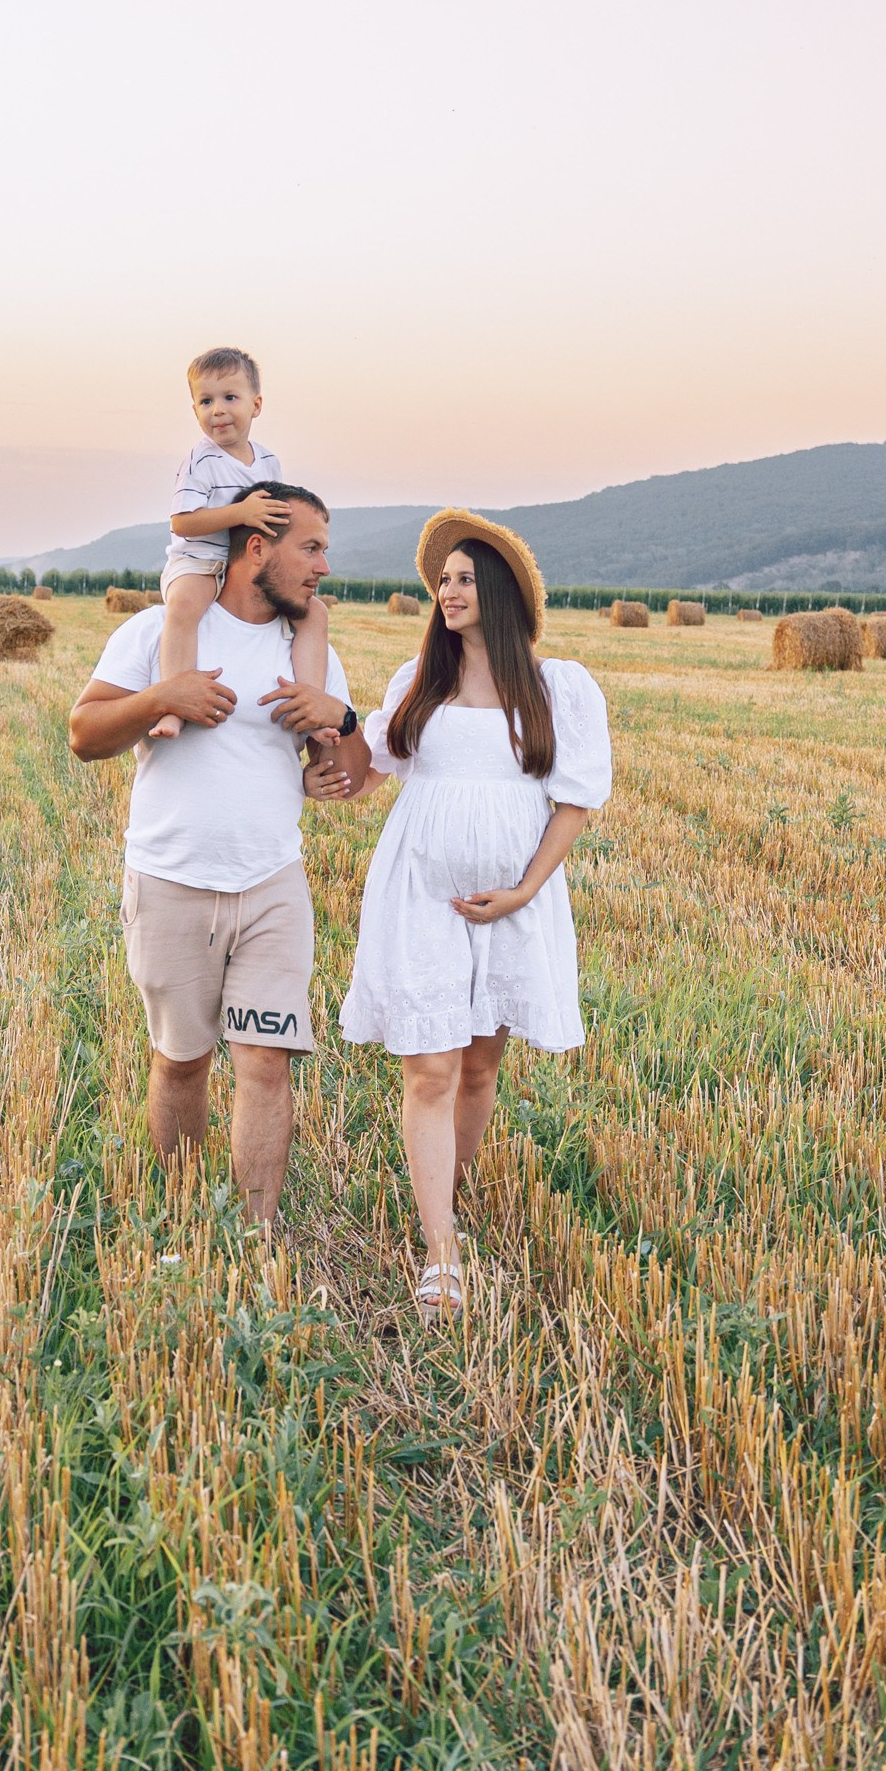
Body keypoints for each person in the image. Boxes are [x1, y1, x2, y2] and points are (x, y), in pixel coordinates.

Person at [333, 510, 611, 1314]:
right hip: (419, 895)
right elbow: (362, 776)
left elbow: (575, 800)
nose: (447, 591)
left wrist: (524, 889)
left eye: (462, 577)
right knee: (431, 1069)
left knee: (481, 1067)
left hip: (513, 904)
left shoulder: (558, 686)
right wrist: (329, 726)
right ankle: (441, 1250)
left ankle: (441, 1199)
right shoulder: (416, 683)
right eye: (442, 580)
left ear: (498, 590)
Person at [68, 488, 369, 1227]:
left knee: (266, 1063)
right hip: (171, 880)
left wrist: (343, 721)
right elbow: (83, 732)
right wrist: (163, 697)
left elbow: (354, 775)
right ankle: (180, 1224)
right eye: (311, 547)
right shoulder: (159, 633)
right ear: (257, 547)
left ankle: (254, 1237)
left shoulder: (310, 653)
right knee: (182, 1063)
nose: (324, 566)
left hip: (272, 884)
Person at [147, 346, 333, 742]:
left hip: (250, 565)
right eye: (206, 401)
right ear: (194, 409)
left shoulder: (268, 461)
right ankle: (174, 704)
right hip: (199, 562)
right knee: (182, 607)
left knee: (314, 615)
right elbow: (182, 522)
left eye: (230, 398)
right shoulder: (200, 461)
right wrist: (240, 514)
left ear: (256, 404)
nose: (218, 410)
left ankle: (311, 704)